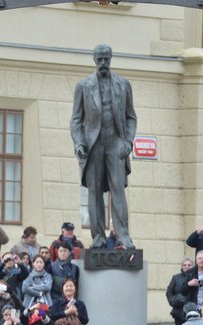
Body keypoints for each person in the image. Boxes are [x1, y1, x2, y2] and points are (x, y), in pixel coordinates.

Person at [70, 44, 138, 249]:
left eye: (106, 59)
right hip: (93, 144)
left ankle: (123, 236)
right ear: (94, 60)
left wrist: (128, 141)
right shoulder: (83, 86)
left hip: (116, 143)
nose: (102, 63)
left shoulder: (123, 84)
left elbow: (131, 117)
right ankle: (98, 237)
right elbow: (75, 120)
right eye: (99, 59)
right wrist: (79, 143)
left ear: (111, 58)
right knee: (94, 192)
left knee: (118, 190)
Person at [165, 257, 196, 325]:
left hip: (192, 312)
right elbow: (169, 292)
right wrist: (174, 301)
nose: (187, 266)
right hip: (178, 311)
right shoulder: (176, 277)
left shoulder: (195, 276)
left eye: (189, 265)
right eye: (184, 265)